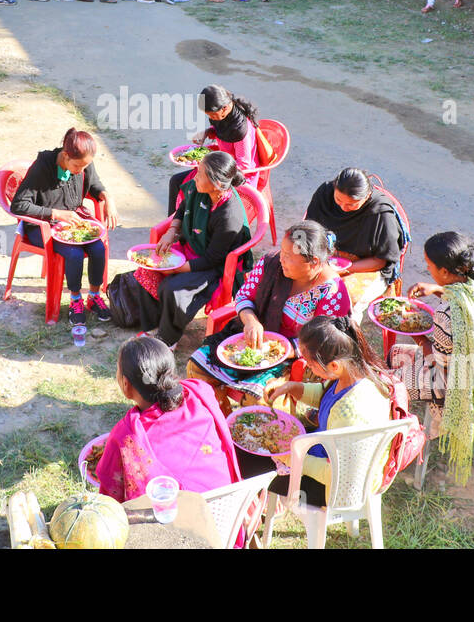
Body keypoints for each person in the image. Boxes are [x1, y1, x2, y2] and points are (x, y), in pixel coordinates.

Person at [188, 221, 351, 412]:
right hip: (251, 343)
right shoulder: (270, 263)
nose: (281, 258)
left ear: (314, 262)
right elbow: (243, 296)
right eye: (282, 251)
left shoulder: (331, 292)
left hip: (295, 358)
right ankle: (221, 420)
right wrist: (250, 320)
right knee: (197, 366)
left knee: (259, 397)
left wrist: (282, 349)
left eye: (288, 256)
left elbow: (326, 340)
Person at [390, 231, 474, 484]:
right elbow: (464, 305)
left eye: (428, 265)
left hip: (456, 383)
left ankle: (393, 447)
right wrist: (437, 290)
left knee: (388, 385)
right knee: (394, 354)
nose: (426, 268)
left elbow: (438, 366)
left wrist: (418, 336)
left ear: (445, 271)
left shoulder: (447, 314)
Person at [251, 315, 398, 507]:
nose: (307, 367)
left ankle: (250, 512)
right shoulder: (354, 371)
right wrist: (292, 387)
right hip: (326, 453)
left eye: (310, 364)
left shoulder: (352, 413)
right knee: (259, 442)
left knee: (250, 461)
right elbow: (326, 394)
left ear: (334, 365)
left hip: (336, 487)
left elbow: (337, 474)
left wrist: (288, 456)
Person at [120, 151, 254, 346]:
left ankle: (167, 339)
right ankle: (152, 326)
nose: (195, 177)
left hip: (213, 266)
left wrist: (175, 269)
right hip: (188, 248)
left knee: (173, 289)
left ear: (217, 184)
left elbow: (212, 259)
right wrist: (171, 231)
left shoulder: (229, 217)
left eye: (200, 174)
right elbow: (183, 207)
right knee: (146, 270)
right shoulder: (197, 189)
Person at [93, 336, 240, 504]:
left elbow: (110, 503)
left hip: (175, 526)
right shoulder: (200, 392)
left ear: (126, 384)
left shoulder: (127, 435)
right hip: (229, 516)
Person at [9, 127, 120, 326]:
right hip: (42, 227)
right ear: (66, 156)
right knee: (74, 254)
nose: (81, 171)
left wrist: (108, 198)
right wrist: (56, 214)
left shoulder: (83, 163)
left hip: (72, 224)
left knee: (98, 247)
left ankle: (94, 296)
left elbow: (95, 185)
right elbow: (18, 205)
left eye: (85, 166)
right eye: (77, 166)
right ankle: (75, 300)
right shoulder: (43, 166)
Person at [305, 168, 404, 322]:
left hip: (366, 267)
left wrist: (345, 269)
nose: (343, 208)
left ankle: (344, 341)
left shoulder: (379, 212)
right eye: (338, 200)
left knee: (344, 301)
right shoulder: (325, 194)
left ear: (367, 197)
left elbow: (381, 260)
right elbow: (308, 230)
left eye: (352, 204)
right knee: (299, 284)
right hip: (327, 259)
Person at [165, 83, 261, 214]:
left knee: (195, 188)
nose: (211, 118)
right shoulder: (223, 117)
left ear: (225, 108)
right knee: (176, 181)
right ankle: (172, 224)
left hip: (236, 176)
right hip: (220, 167)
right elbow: (220, 131)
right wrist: (207, 132)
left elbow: (244, 165)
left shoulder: (240, 131)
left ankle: (190, 227)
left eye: (213, 115)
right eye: (208, 115)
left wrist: (213, 172)